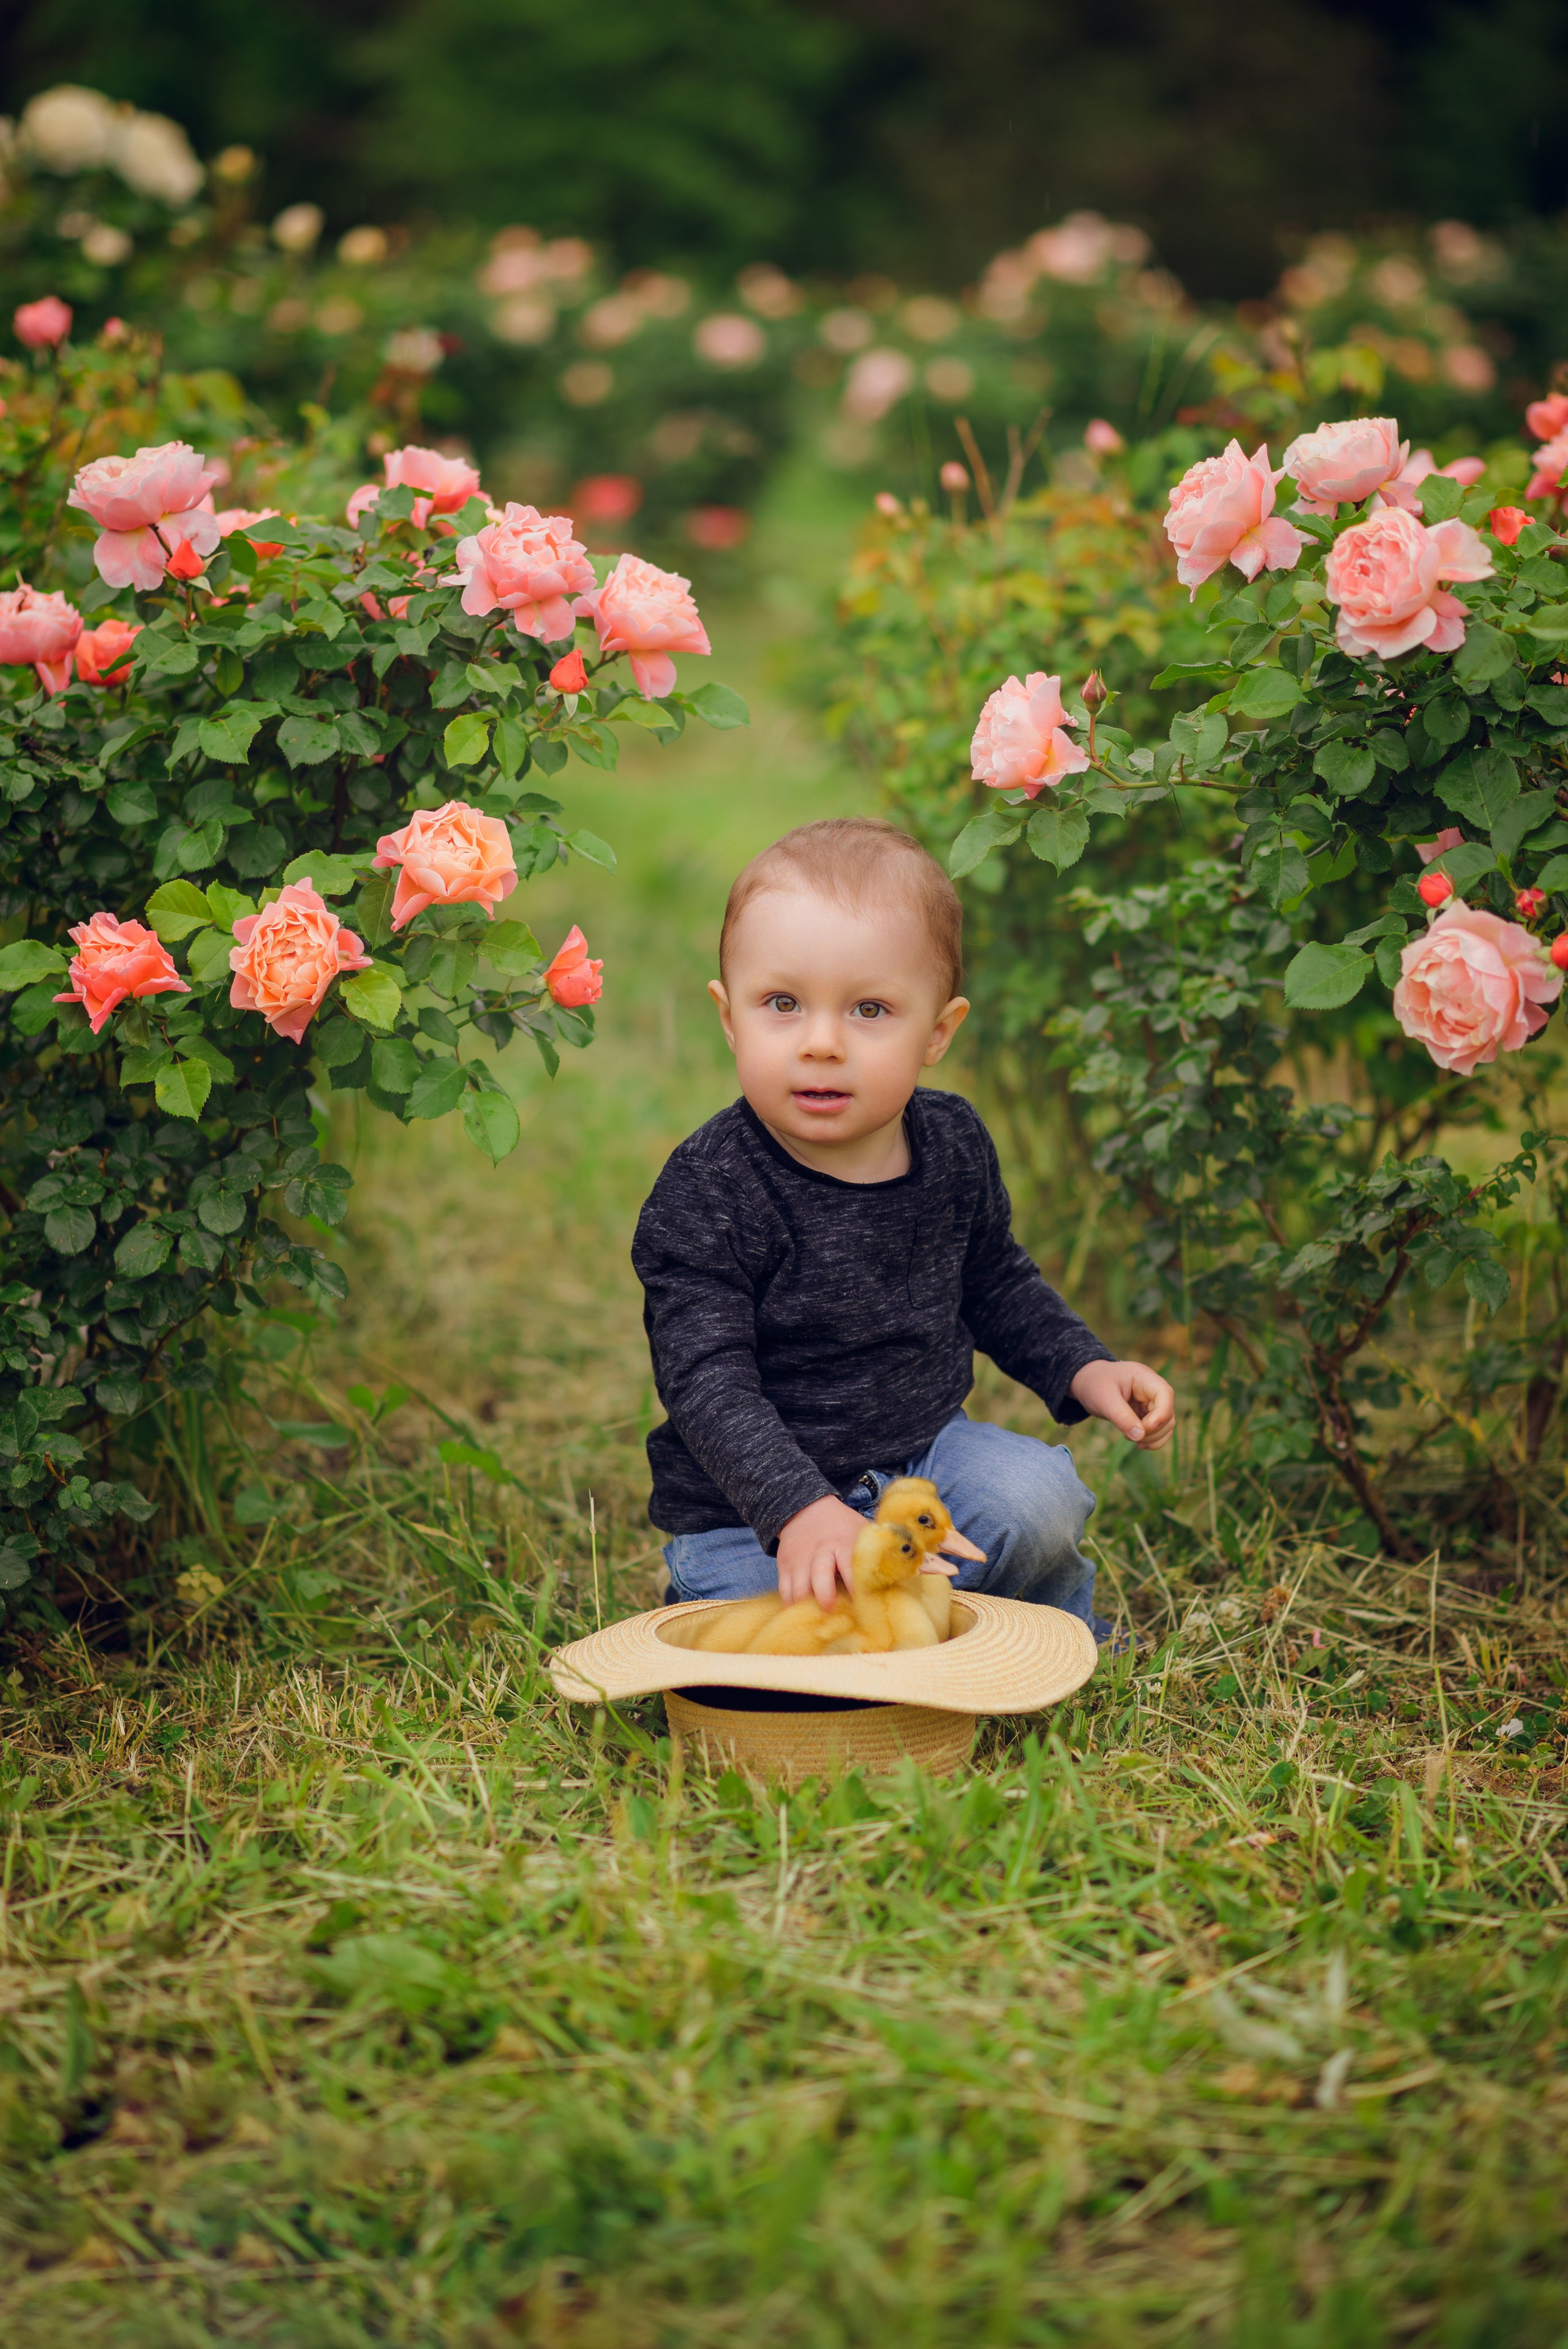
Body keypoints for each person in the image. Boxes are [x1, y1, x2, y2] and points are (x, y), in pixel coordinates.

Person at [630, 817, 1175, 1637]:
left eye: (870, 1009)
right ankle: (881, 1641)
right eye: (782, 1004)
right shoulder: (709, 1189)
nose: (820, 1043)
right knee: (786, 1626)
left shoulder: (951, 1146)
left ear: (938, 1032)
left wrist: (1084, 1367)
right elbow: (706, 1381)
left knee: (1035, 1501)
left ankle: (1048, 1645)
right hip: (750, 1514)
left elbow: (995, 1281)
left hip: (922, 1476)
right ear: (729, 1016)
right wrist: (802, 1510)